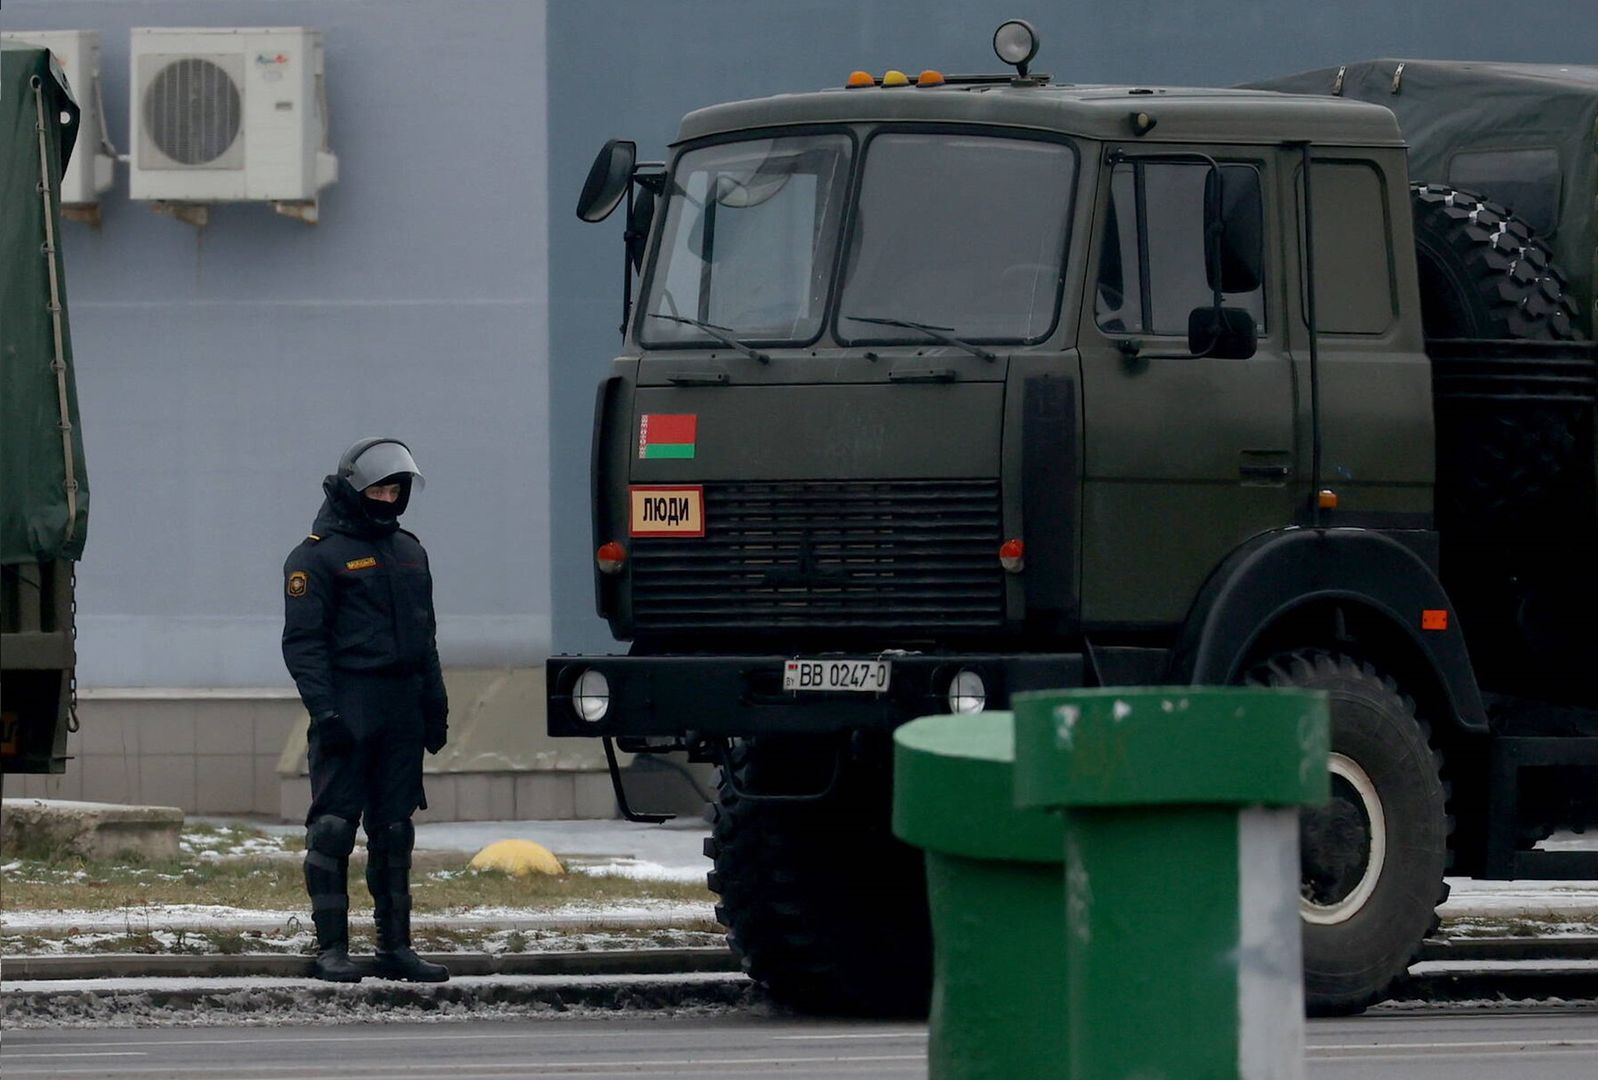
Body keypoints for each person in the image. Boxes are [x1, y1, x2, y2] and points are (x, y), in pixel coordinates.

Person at [282, 437, 450, 983]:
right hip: (349, 704)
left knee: (395, 829)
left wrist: (435, 704)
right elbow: (304, 644)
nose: (385, 496)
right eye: (377, 487)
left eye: (395, 488)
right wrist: (325, 713)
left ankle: (394, 947)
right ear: (355, 488)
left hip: (401, 706)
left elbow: (426, 638)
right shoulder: (316, 555)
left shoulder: (410, 550)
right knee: (333, 829)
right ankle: (331, 948)